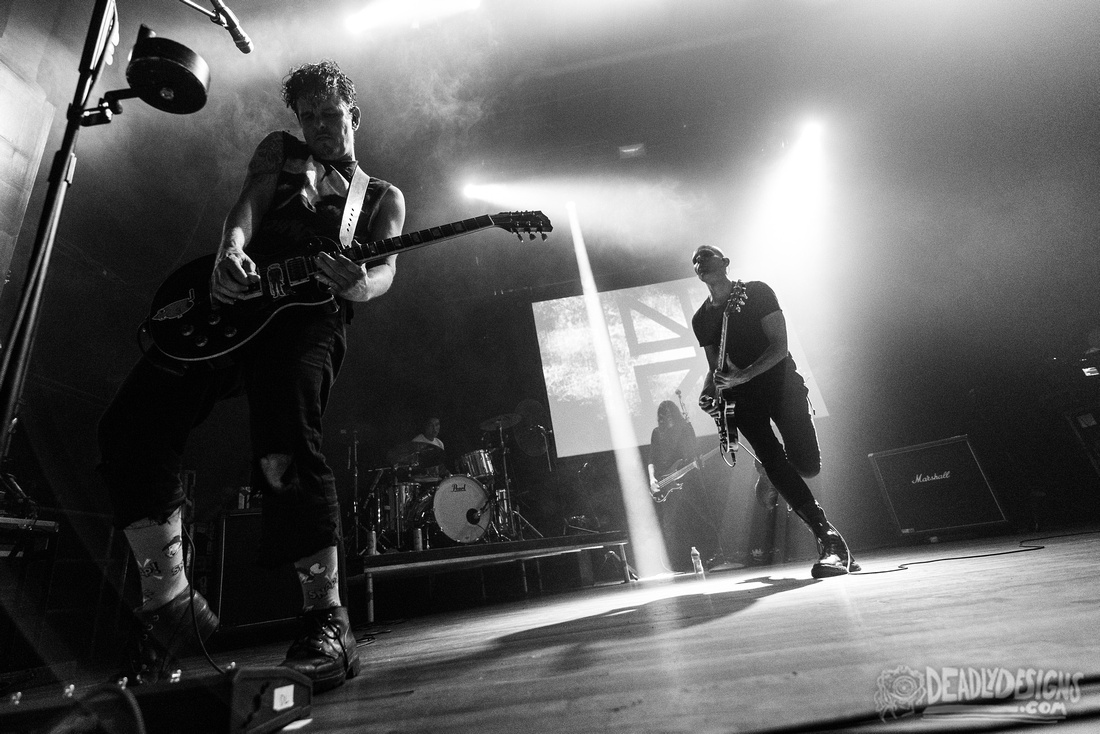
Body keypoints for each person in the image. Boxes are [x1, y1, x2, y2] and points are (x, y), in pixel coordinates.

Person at [97, 60, 405, 691]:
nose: (320, 125)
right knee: (130, 424)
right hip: (237, 306)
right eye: (309, 115)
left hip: (311, 316)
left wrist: (363, 283)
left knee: (284, 439)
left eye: (331, 113)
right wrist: (231, 251)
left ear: (355, 114)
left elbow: (387, 269)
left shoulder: (380, 196)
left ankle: (327, 620)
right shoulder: (281, 153)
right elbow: (248, 208)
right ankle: (170, 603)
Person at [690, 244, 859, 578]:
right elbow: (716, 367)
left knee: (808, 465)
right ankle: (828, 538)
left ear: (725, 262)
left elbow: (780, 346)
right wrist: (709, 392)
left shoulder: (757, 292)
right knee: (774, 459)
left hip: (783, 389)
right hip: (744, 401)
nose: (699, 261)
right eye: (695, 260)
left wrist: (745, 373)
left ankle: (769, 473)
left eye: (706, 256)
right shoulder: (701, 318)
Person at [646, 400, 715, 572]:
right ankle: (676, 563)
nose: (667, 415)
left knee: (701, 517)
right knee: (671, 525)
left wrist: (697, 462)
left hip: (689, 480)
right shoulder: (657, 433)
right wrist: (652, 479)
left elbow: (693, 452)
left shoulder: (685, 428)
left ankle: (712, 556)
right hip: (668, 484)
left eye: (670, 412)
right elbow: (651, 460)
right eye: (663, 413)